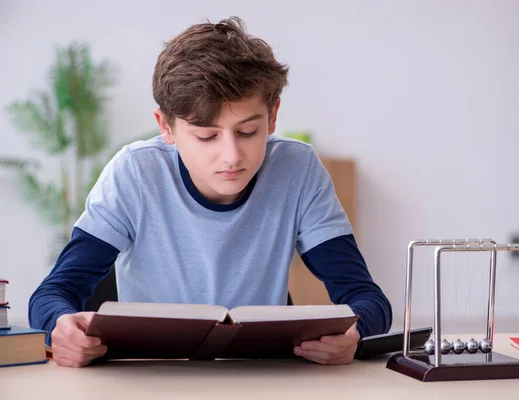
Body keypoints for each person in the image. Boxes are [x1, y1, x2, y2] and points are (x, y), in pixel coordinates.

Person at [29, 16, 392, 368]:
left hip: (260, 376)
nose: (232, 156)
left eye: (249, 131)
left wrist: (354, 334)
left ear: (273, 115)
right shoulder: (135, 172)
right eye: (206, 136)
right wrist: (61, 328)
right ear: (165, 127)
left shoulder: (297, 169)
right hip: (153, 376)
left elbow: (369, 300)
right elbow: (51, 295)